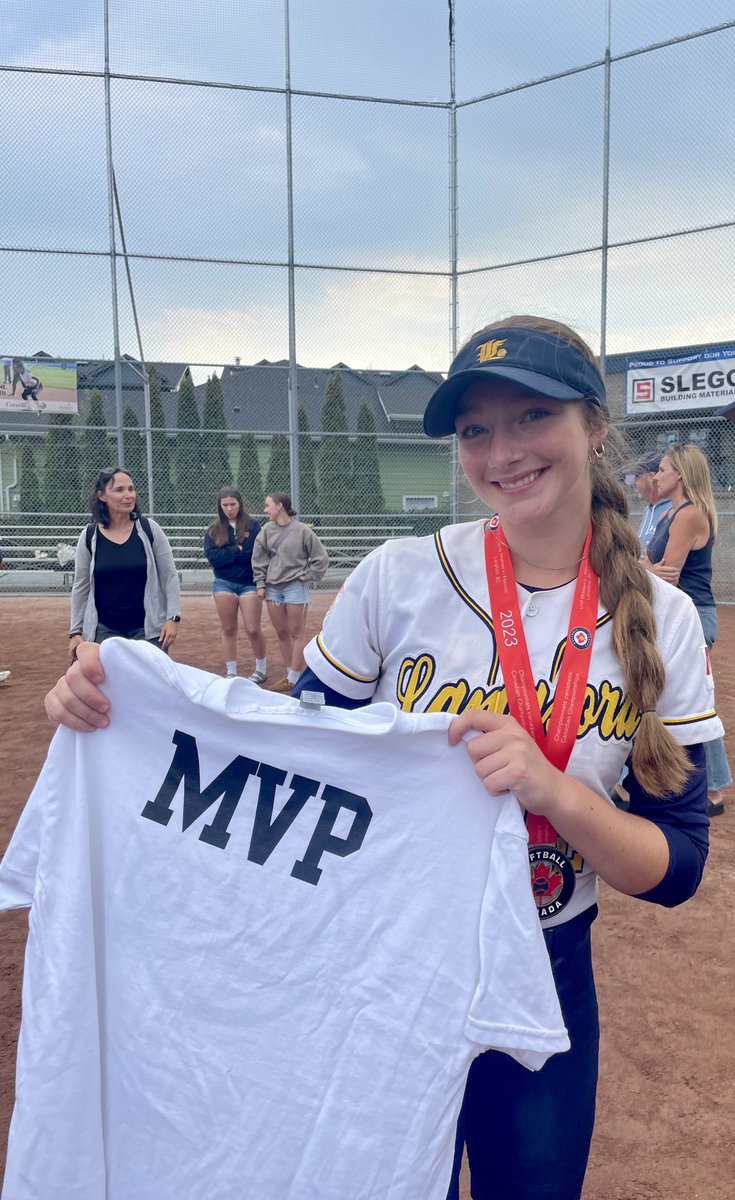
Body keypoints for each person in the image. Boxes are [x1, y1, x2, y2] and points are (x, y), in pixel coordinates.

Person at [45, 317, 721, 1200]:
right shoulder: (402, 577)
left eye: (530, 417)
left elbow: (676, 869)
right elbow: (287, 758)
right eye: (475, 429)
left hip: (550, 972)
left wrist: (557, 792)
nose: (500, 451)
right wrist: (121, 708)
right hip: (384, 976)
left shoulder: (660, 620)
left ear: (594, 426)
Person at [643, 445, 731, 817]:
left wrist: (643, 563)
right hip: (678, 616)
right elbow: (652, 567)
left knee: (692, 702)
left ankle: (712, 791)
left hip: (692, 616)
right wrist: (648, 564)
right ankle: (708, 787)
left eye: (662, 470)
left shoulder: (689, 515)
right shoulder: (670, 514)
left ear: (679, 474)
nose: (656, 476)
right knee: (683, 698)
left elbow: (669, 576)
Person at [68, 467, 181, 661]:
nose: (128, 495)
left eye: (131, 489)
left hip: (148, 631)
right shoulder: (89, 536)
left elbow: (170, 576)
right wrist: (75, 631)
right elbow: (81, 585)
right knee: (109, 688)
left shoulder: (150, 530)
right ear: (102, 496)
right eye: (119, 490)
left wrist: (173, 618)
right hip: (104, 632)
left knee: (150, 688)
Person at [251, 491, 329, 693]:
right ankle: (290, 674)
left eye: (268, 505)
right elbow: (258, 558)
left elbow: (321, 557)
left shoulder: (302, 531)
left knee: (296, 632)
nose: (265, 509)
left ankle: (294, 677)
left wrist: (309, 575)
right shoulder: (266, 530)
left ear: (280, 506)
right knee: (282, 632)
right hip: (273, 588)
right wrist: (260, 583)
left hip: (295, 586)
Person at [204, 487, 267, 681]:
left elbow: (251, 554)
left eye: (233, 504)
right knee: (228, 628)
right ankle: (231, 671)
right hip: (224, 583)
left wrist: (230, 553)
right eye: (225, 505)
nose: (229, 508)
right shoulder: (214, 530)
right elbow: (214, 558)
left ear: (239, 504)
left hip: (249, 583)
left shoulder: (253, 526)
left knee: (253, 629)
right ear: (220, 506)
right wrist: (236, 549)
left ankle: (261, 669)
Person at [632, 449, 671, 552]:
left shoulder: (672, 509)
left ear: (651, 477)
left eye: (637, 476)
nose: (634, 482)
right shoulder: (647, 510)